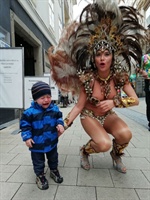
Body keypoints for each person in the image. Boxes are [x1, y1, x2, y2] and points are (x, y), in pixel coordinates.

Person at [48, 0, 146, 173]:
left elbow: (136, 100)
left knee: (125, 134)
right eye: (98, 54)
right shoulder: (88, 77)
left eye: (106, 54)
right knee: (103, 144)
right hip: (89, 116)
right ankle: (84, 151)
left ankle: (116, 155)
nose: (102, 58)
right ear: (93, 57)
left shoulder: (119, 76)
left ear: (112, 56)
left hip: (108, 115)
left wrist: (114, 102)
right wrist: (64, 124)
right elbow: (79, 106)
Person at [20, 81, 64, 190]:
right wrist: (27, 137)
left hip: (51, 140)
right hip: (36, 143)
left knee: (53, 158)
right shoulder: (29, 113)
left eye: (48, 96)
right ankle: (40, 175)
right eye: (42, 98)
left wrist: (60, 124)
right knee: (38, 161)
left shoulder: (54, 109)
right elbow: (25, 126)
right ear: (35, 99)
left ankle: (53, 170)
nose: (46, 100)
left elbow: (59, 117)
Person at [137, 52, 150, 131]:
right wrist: (142, 72)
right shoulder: (145, 57)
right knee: (149, 103)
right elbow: (140, 69)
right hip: (148, 82)